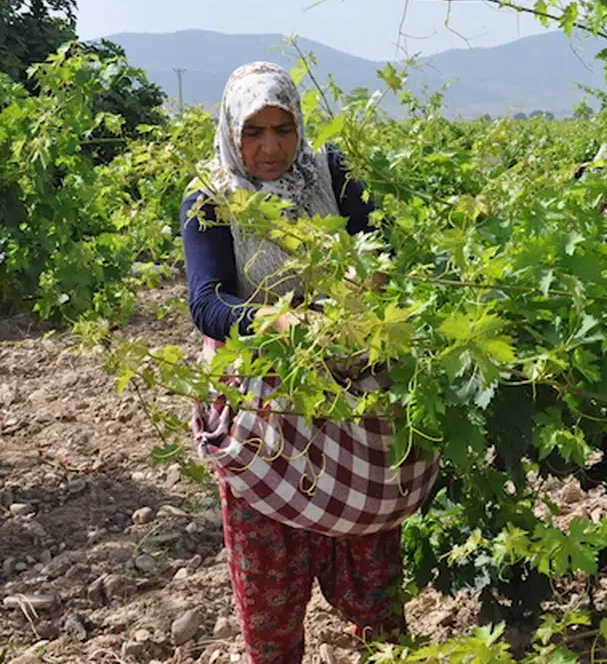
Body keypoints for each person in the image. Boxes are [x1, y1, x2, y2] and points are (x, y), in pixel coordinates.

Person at [180, 62, 439, 664]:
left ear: (299, 127)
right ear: (231, 132)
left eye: (283, 129)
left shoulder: (331, 174)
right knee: (270, 571)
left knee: (372, 561)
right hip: (263, 406)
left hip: (350, 386)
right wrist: (276, 321)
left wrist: (366, 279)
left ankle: (381, 648)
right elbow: (207, 300)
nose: (269, 148)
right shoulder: (210, 196)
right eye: (254, 133)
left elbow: (377, 247)